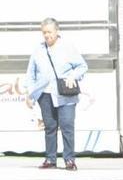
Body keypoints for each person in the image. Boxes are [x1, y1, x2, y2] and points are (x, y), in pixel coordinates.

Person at [24, 17, 88, 170]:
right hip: (44, 94)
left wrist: (73, 76)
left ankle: (69, 159)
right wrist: (29, 93)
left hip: (64, 93)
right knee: (50, 127)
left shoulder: (68, 47)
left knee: (67, 126)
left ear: (57, 31)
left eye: (49, 32)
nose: (47, 35)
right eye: (44, 32)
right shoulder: (38, 50)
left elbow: (82, 66)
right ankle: (50, 159)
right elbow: (30, 73)